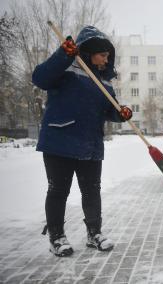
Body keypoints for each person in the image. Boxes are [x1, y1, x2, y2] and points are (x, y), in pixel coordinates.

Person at [32, 26, 132, 257]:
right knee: (58, 191)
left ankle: (94, 233)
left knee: (92, 191)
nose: (107, 60)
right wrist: (63, 54)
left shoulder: (104, 81)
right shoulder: (65, 68)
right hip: (61, 141)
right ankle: (57, 237)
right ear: (90, 52)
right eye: (103, 55)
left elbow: (110, 109)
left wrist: (120, 113)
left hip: (90, 144)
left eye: (108, 56)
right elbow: (40, 78)